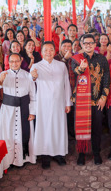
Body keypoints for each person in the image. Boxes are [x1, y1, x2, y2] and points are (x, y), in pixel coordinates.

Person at [31, 41, 72, 169]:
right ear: (41, 52)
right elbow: (30, 83)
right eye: (45, 50)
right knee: (44, 129)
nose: (48, 52)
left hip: (59, 103)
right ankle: (45, 156)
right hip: (43, 104)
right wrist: (33, 77)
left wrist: (68, 102)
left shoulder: (61, 66)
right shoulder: (36, 66)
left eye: (50, 49)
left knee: (58, 127)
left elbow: (66, 85)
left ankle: (59, 154)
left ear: (54, 51)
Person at [71, 34, 111, 166]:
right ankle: (81, 153)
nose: (88, 45)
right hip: (82, 101)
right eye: (85, 43)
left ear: (95, 44)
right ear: (81, 45)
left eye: (90, 43)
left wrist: (104, 97)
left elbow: (106, 79)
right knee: (81, 128)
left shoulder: (102, 59)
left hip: (97, 100)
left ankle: (96, 152)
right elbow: (75, 72)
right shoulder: (77, 59)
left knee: (97, 128)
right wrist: (81, 68)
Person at [0, 53, 37, 175]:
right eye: (11, 61)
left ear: (21, 61)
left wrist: (32, 112)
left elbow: (33, 95)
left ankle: (21, 159)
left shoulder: (27, 75)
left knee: (22, 134)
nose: (14, 64)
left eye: (16, 61)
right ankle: (8, 160)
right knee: (8, 135)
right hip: (8, 110)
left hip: (24, 108)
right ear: (9, 62)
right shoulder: (4, 73)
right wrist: (1, 79)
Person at [54, 39, 76, 138]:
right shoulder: (55, 58)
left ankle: (71, 132)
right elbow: (56, 72)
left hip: (72, 88)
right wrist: (65, 60)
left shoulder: (75, 58)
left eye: (69, 46)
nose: (66, 48)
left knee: (71, 112)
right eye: (64, 46)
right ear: (60, 47)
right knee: (61, 112)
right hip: (59, 90)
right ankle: (62, 133)